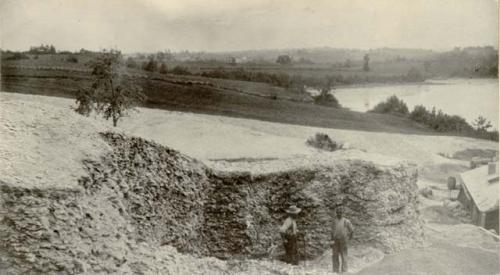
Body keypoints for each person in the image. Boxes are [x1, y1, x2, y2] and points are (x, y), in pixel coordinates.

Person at [331, 207, 354, 273]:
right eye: (338, 213)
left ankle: (344, 271)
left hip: (343, 241)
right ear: (336, 213)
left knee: (344, 255)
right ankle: (335, 270)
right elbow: (332, 231)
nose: (339, 214)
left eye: (341, 213)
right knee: (335, 255)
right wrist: (331, 240)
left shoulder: (346, 221)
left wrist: (349, 238)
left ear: (343, 213)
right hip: (335, 241)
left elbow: (352, 230)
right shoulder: (334, 221)